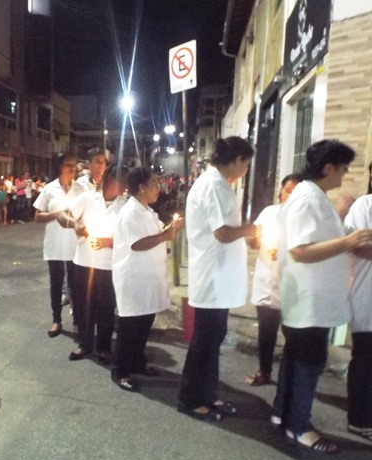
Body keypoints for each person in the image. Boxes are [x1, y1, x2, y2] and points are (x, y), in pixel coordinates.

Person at [272, 140, 372, 454]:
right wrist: (348, 242)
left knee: (296, 359)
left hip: (312, 300)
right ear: (329, 168)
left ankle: (283, 415)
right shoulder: (307, 199)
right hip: (309, 301)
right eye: (343, 168)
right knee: (308, 363)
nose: (345, 174)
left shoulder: (313, 196)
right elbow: (300, 250)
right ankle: (300, 427)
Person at [177, 136, 258, 422]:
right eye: (246, 163)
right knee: (205, 341)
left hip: (218, 277)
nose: (246, 169)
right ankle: (190, 399)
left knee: (213, 339)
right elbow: (222, 233)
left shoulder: (219, 184)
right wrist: (252, 229)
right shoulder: (213, 185)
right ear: (236, 160)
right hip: (212, 276)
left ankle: (208, 395)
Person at [111, 167, 182, 391]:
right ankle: (120, 371)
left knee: (143, 325)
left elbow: (158, 233)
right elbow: (137, 243)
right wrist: (165, 235)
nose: (158, 189)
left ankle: (137, 363)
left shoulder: (147, 211)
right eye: (154, 184)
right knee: (129, 328)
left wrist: (171, 228)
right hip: (134, 278)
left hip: (148, 278)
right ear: (141, 188)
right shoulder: (130, 212)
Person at [59, 163, 128, 365]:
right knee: (84, 306)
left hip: (109, 266)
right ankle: (85, 343)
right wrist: (75, 223)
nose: (126, 185)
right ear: (110, 179)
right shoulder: (88, 198)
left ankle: (104, 347)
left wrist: (110, 242)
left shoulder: (125, 205)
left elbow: (130, 237)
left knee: (106, 308)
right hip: (84, 263)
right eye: (122, 180)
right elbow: (62, 214)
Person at [245, 173, 303, 386]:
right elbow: (254, 241)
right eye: (288, 190)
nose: (290, 195)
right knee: (266, 333)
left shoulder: (303, 219)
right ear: (281, 191)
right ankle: (264, 371)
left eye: (296, 192)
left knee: (292, 335)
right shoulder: (269, 213)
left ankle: (290, 376)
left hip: (291, 287)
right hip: (266, 282)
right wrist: (256, 241)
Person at [33, 153, 80, 337]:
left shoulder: (81, 189)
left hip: (75, 244)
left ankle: (77, 320)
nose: (72, 168)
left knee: (76, 284)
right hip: (54, 244)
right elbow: (37, 217)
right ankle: (56, 320)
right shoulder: (49, 189)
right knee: (56, 283)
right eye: (68, 164)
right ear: (60, 167)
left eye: (74, 165)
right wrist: (56, 214)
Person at [344, 188, 372, 443]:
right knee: (366, 357)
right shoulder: (365, 206)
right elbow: (360, 246)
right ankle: (359, 420)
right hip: (367, 295)